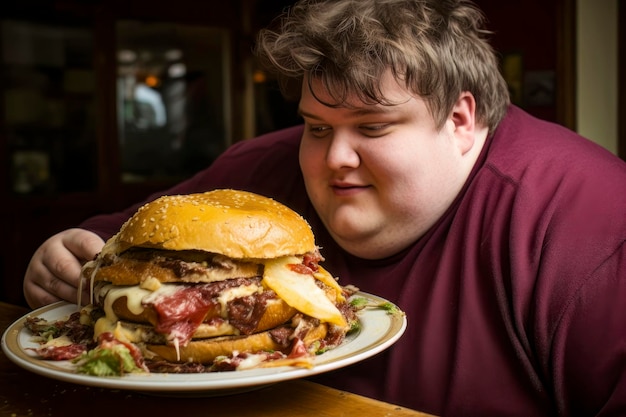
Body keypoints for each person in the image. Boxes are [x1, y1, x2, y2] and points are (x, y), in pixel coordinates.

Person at [22, 0, 626, 415]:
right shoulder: (262, 171)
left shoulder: (587, 222)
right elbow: (133, 239)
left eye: (373, 126)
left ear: (461, 120)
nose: (334, 157)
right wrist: (69, 254)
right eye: (316, 125)